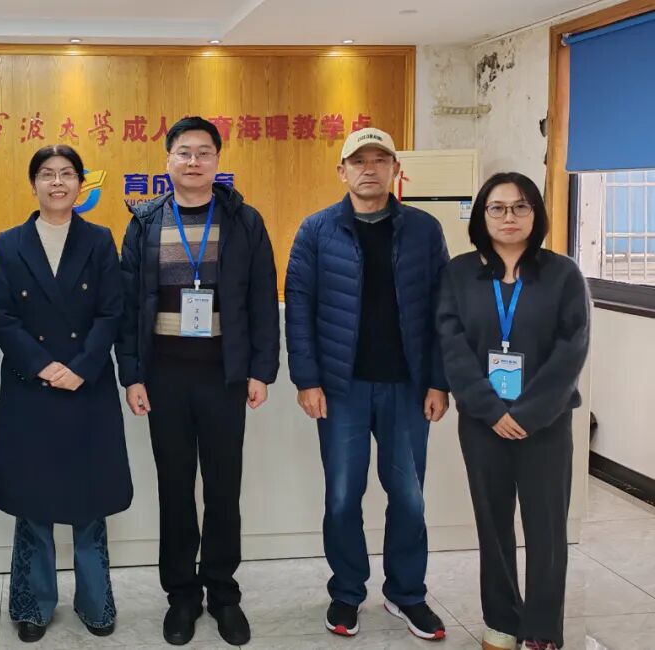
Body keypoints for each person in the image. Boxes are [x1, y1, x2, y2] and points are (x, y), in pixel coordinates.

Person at [117, 116, 279, 647]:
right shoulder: (144, 222)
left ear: (217, 160)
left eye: (203, 152)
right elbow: (127, 307)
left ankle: (224, 593)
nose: (193, 161)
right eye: (183, 152)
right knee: (175, 488)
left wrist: (261, 369)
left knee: (224, 488)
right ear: (167, 160)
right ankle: (182, 595)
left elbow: (261, 298)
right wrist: (132, 374)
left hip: (223, 376)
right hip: (163, 376)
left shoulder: (243, 220)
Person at [285, 127, 450, 641]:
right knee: (342, 497)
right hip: (342, 389)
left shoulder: (424, 230)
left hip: (407, 387)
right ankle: (347, 592)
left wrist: (439, 381)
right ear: (343, 171)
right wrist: (307, 379)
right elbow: (299, 308)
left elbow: (443, 310)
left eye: (381, 159)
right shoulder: (316, 230)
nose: (370, 168)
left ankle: (407, 593)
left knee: (409, 497)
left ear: (396, 170)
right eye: (359, 161)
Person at [437, 173, 589, 650]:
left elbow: (572, 349)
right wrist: (489, 408)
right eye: (497, 207)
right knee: (493, 523)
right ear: (482, 215)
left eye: (521, 207)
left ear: (536, 214)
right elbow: (451, 344)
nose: (509, 217)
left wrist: (529, 413)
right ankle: (502, 622)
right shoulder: (459, 273)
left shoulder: (562, 274)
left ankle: (542, 629)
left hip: (545, 423)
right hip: (483, 424)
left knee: (547, 528)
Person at [0, 144, 133, 643]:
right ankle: (33, 604)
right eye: (46, 174)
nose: (56, 183)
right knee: (34, 504)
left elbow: (112, 312)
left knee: (90, 502)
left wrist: (82, 367)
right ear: (33, 184)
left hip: (86, 387)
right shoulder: (10, 243)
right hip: (31, 387)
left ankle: (95, 602)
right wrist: (42, 364)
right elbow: (0, 314)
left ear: (80, 184)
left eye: (67, 174)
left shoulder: (99, 239)